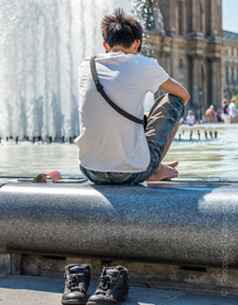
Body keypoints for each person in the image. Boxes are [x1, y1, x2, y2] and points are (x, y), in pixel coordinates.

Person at [63, 10, 190, 305]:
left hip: (90, 169)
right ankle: (153, 168)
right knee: (171, 100)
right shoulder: (145, 64)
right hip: (131, 172)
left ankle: (149, 166)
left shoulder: (87, 64)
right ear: (138, 43)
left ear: (105, 44)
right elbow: (181, 94)